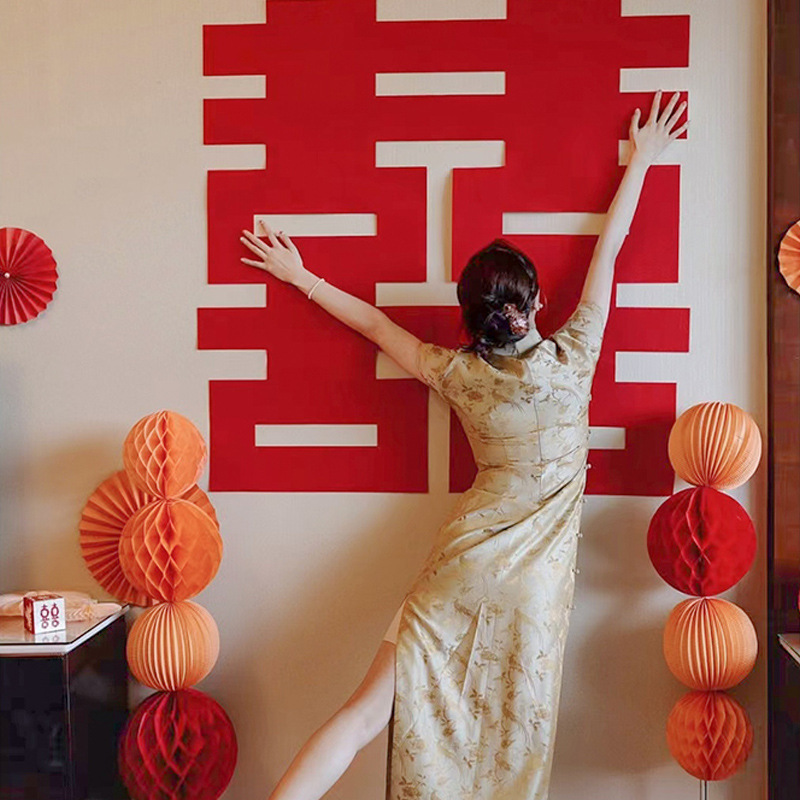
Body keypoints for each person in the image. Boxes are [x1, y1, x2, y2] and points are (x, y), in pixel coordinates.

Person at [240, 90, 687, 800]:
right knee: (508, 750)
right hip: (535, 594)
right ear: (537, 303)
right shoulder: (575, 357)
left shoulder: (458, 373)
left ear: (473, 321)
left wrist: (300, 276)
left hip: (462, 568)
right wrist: (644, 159)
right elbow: (611, 248)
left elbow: (377, 327)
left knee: (364, 716)